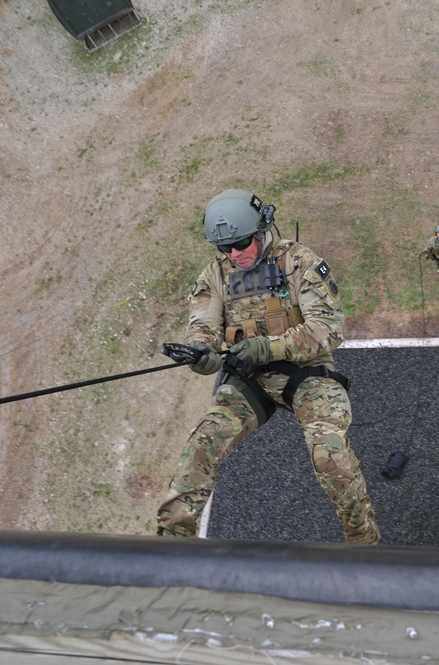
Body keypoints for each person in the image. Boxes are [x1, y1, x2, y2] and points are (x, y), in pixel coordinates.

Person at [156, 188, 381, 544]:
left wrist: (266, 347)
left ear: (262, 230)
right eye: (224, 248)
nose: (234, 254)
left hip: (306, 373)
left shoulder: (298, 262)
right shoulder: (215, 275)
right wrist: (200, 352)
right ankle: (171, 548)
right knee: (200, 447)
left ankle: (363, 540)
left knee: (330, 455)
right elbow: (204, 326)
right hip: (249, 380)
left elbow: (328, 329)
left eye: (242, 243)